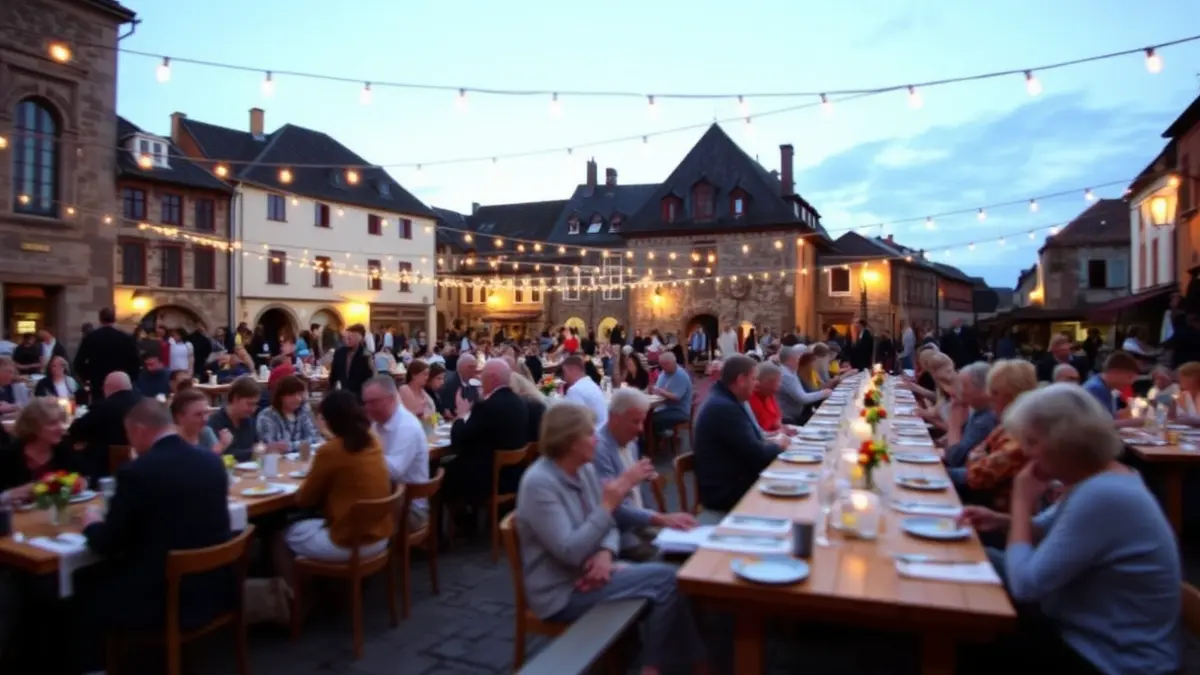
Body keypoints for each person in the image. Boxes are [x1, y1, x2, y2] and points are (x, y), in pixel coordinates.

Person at [959, 384, 1181, 674]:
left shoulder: (1103, 495)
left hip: (1106, 658)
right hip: (1084, 633)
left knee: (965, 631)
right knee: (974, 561)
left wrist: (1022, 501)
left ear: (1064, 441)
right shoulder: (1106, 477)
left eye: (1032, 441)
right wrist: (1001, 521)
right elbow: (1049, 529)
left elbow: (1025, 586)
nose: (1025, 452)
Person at [515, 402, 707, 674]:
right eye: (590, 433)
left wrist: (605, 554)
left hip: (591, 572)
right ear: (570, 441)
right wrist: (608, 505)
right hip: (562, 591)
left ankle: (675, 663)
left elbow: (610, 527)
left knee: (666, 580)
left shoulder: (585, 470)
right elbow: (570, 550)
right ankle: (658, 667)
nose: (597, 438)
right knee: (665, 581)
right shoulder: (539, 484)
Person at [80, 399, 235, 643]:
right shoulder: (211, 461)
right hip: (217, 588)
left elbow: (109, 543)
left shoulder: (137, 472)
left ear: (140, 430)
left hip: (164, 598)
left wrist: (91, 524)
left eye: (129, 434)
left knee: (83, 581)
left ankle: (92, 665)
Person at [281, 391, 394, 566]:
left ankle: (292, 591)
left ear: (330, 421)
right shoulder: (374, 440)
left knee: (281, 533)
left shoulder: (330, 451)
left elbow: (305, 499)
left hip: (349, 542)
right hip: (381, 536)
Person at [593, 389, 698, 560]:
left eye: (642, 422)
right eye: (635, 422)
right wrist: (660, 519)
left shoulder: (630, 443)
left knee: (690, 547)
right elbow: (613, 510)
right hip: (616, 533)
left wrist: (658, 519)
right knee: (668, 559)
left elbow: (637, 497)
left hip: (637, 523)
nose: (641, 429)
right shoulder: (600, 449)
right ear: (614, 418)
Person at [693, 356, 788, 520]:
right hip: (727, 493)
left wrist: (771, 442)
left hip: (733, 482)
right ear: (741, 380)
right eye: (753, 379)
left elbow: (749, 444)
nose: (756, 384)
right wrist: (780, 445)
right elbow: (757, 456)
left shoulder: (725, 400)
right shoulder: (724, 408)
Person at [445, 359, 533, 498]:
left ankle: (454, 518)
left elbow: (458, 441)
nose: (480, 379)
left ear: (492, 378)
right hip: (515, 474)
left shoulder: (486, 406)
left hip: (487, 478)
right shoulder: (520, 402)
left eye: (483, 375)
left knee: (442, 471)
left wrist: (461, 416)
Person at [961, 360, 1038, 510]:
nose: (989, 397)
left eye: (995, 393)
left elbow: (976, 476)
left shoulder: (1022, 436)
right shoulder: (1004, 427)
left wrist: (975, 459)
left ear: (1014, 396)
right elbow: (972, 460)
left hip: (1000, 520)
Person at [361, 375, 430, 530]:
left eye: (373, 402)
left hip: (410, 508)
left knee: (349, 510)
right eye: (365, 403)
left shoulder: (406, 426)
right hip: (388, 497)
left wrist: (364, 450)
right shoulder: (378, 423)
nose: (368, 408)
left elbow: (394, 472)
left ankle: (365, 551)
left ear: (391, 399)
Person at [0, 398, 85, 500]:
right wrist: (9, 494)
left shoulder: (63, 448)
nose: (61, 427)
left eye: (61, 421)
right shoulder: (10, 455)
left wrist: (81, 482)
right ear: (33, 426)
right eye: (52, 423)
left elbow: (84, 476)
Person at [68, 372, 142, 478]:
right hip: (141, 459)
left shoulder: (103, 407)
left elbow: (76, 430)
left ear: (108, 387)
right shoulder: (144, 403)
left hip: (105, 466)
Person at [73, 307, 140, 404]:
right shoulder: (126, 338)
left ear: (100, 319)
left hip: (98, 385)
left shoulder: (91, 338)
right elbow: (135, 363)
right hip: (122, 386)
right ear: (114, 318)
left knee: (100, 414)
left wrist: (88, 377)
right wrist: (129, 379)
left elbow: (78, 363)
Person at [941, 362, 998, 471]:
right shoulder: (978, 411)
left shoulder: (986, 419)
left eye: (964, 385)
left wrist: (954, 422)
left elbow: (954, 458)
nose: (960, 390)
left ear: (983, 389)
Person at [255, 375, 323, 454]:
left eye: (299, 394)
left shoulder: (303, 411)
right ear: (281, 396)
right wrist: (303, 445)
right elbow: (272, 446)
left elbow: (314, 438)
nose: (298, 398)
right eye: (292, 395)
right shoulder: (266, 416)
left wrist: (290, 446)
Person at [206, 376, 261, 461]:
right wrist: (251, 452)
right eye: (249, 404)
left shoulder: (249, 420)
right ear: (235, 399)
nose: (253, 409)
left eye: (255, 404)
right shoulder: (215, 423)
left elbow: (257, 446)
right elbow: (214, 456)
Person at [1080, 351, 1143, 425]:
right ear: (1115, 372)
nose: (1131, 383)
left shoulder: (1108, 388)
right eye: (1129, 377)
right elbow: (1098, 425)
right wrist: (1132, 422)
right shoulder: (1095, 389)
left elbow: (1108, 417)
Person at [777, 346, 830, 424]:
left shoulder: (791, 372)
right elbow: (802, 398)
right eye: (797, 359)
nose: (798, 361)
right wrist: (823, 393)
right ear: (790, 359)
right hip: (789, 419)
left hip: (796, 415)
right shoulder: (786, 375)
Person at [648, 352, 692, 435]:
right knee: (647, 418)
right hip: (665, 407)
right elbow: (658, 388)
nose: (662, 368)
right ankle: (655, 441)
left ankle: (657, 441)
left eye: (663, 365)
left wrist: (662, 392)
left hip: (679, 410)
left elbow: (676, 397)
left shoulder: (681, 375)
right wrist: (653, 390)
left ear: (669, 364)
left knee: (653, 420)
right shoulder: (664, 374)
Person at [171, 388, 226, 453]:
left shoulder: (206, 432)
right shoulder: (169, 441)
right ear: (180, 417)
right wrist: (219, 448)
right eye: (198, 414)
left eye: (206, 413)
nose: (205, 419)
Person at [748, 362, 796, 435]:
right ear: (766, 382)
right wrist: (776, 432)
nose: (780, 385)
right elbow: (757, 433)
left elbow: (776, 418)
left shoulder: (769, 394)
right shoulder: (749, 398)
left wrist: (782, 428)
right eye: (778, 381)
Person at [562, 355, 608, 429]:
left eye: (565, 372)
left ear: (572, 370)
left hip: (593, 434)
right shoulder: (590, 384)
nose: (564, 377)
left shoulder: (575, 390)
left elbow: (571, 421)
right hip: (601, 429)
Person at [330, 324, 375, 398]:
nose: (349, 339)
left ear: (361, 339)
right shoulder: (339, 353)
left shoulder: (366, 355)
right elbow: (333, 376)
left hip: (360, 396)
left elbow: (371, 377)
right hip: (343, 395)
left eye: (353, 336)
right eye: (347, 336)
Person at [437, 353, 479, 419]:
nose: (475, 370)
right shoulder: (450, 385)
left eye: (475, 367)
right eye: (471, 367)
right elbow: (448, 411)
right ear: (461, 367)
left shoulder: (472, 383)